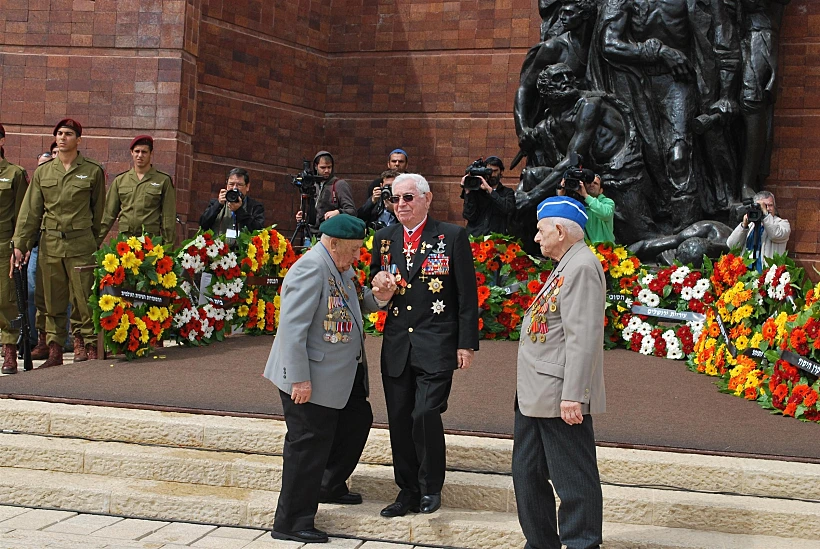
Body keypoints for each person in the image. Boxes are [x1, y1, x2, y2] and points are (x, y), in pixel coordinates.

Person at [263, 214, 394, 544]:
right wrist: (299, 380)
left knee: (357, 420)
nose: (356, 258)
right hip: (310, 377)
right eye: (352, 251)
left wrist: (380, 296)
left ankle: (329, 484)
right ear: (333, 243)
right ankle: (291, 521)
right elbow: (292, 331)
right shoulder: (311, 268)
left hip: (341, 373)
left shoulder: (339, 265)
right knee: (306, 447)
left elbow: (354, 306)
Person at [370, 173, 479, 517]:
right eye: (395, 198)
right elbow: (375, 291)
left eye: (407, 198)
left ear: (426, 199)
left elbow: (466, 295)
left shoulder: (451, 236)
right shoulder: (384, 239)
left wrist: (466, 344)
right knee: (400, 420)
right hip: (398, 344)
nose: (400, 204)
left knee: (425, 414)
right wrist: (380, 294)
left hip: (436, 343)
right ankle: (408, 490)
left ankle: (431, 486)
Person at [514, 195, 606, 549]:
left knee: (573, 480)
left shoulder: (581, 266)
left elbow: (583, 337)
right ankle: (540, 543)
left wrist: (574, 395)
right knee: (527, 473)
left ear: (559, 230)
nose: (536, 238)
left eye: (540, 231)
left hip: (558, 396)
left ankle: (582, 543)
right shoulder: (566, 264)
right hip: (535, 392)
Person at [11, 118, 105, 366]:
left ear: (78, 140)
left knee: (84, 298)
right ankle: (54, 350)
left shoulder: (93, 171)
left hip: (81, 243)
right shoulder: (44, 172)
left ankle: (86, 345)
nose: (62, 137)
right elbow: (31, 212)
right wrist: (20, 244)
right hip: (51, 244)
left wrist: (91, 240)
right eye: (59, 134)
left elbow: (100, 211)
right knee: (50, 299)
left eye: (68, 134)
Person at [100, 135, 176, 246]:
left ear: (151, 153)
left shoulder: (163, 180)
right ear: (131, 152)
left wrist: (168, 248)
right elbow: (107, 215)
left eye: (144, 152)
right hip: (125, 242)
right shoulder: (121, 180)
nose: (140, 155)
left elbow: (168, 218)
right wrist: (94, 242)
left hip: (150, 242)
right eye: (137, 151)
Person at [0, 124, 29, 374]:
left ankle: (9, 348)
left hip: (3, 245)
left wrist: (18, 246)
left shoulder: (15, 173)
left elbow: (23, 215)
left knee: (6, 299)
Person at [296, 151, 357, 237]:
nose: (327, 171)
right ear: (316, 167)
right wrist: (304, 215)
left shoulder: (339, 185)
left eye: (329, 167)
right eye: (323, 167)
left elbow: (352, 211)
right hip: (309, 235)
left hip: (329, 235)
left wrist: (338, 212)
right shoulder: (311, 184)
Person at [726, 190, 790, 272]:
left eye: (770, 205)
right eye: (764, 206)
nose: (767, 209)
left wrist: (765, 215)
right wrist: (743, 226)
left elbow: (775, 235)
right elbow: (732, 245)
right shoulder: (751, 225)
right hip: (746, 275)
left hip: (768, 276)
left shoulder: (783, 224)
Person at [461, 156, 516, 237]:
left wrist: (490, 191)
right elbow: (469, 216)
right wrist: (468, 193)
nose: (492, 174)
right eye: (489, 171)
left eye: (495, 171)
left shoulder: (507, 192)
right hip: (475, 238)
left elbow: (507, 209)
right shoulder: (476, 191)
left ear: (501, 171)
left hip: (497, 239)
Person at [557, 174, 615, 243]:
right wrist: (560, 195)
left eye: (595, 183)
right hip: (586, 250)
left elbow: (605, 214)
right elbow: (562, 216)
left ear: (601, 190)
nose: (591, 185)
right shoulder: (578, 205)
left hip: (607, 250)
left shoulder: (608, 202)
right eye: (589, 182)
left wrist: (585, 195)